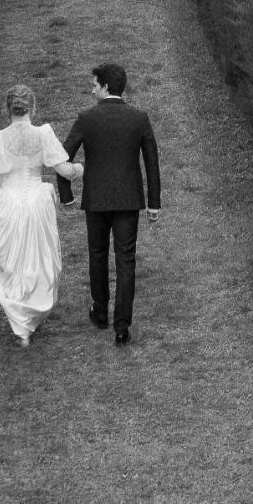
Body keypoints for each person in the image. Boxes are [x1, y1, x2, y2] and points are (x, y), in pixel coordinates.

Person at [0, 84, 82, 347]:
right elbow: (64, 170)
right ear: (32, 108)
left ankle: (21, 325)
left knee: (11, 264)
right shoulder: (43, 134)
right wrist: (81, 169)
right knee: (39, 260)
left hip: (9, 202)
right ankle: (27, 320)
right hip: (37, 201)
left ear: (8, 109)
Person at [60, 62, 161, 347]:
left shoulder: (86, 118)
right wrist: (154, 203)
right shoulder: (139, 118)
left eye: (94, 85)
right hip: (128, 200)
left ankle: (101, 312)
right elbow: (152, 163)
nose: (92, 90)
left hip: (96, 199)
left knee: (98, 254)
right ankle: (122, 327)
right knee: (126, 260)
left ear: (105, 87)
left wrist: (66, 194)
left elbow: (62, 157)